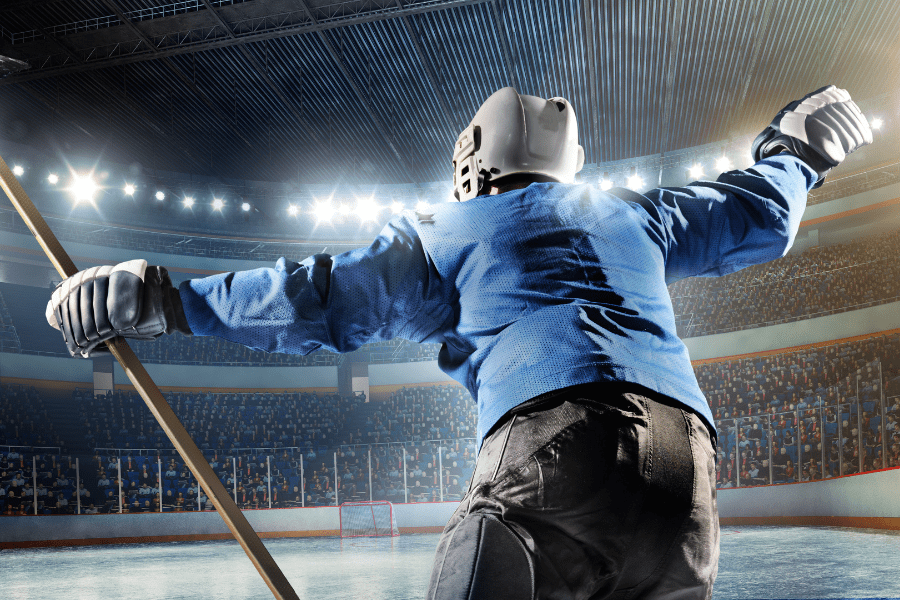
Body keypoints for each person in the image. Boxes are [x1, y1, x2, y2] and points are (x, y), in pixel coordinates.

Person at [44, 85, 872, 599]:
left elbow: (319, 300)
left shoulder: (448, 229)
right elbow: (758, 212)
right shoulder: (633, 215)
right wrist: (794, 152)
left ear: (472, 163)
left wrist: (161, 301)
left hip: (555, 441)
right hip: (687, 470)